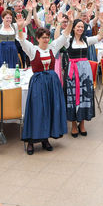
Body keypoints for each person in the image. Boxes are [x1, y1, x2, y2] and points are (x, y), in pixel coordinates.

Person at [15, 16, 67, 155]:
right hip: (38, 83)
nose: (46, 39)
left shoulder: (52, 47)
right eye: (43, 37)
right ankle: (31, 141)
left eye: (47, 37)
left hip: (51, 82)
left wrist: (71, 22)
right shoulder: (32, 50)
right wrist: (20, 27)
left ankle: (45, 139)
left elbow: (65, 36)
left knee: (49, 109)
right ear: (37, 38)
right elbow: (22, 40)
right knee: (37, 110)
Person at [61, 11, 103, 137]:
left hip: (85, 72)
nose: (80, 28)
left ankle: (82, 123)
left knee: (85, 95)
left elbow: (100, 36)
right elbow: (60, 35)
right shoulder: (68, 40)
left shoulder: (86, 40)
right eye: (78, 26)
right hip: (72, 71)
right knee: (73, 96)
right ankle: (74, 124)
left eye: (82, 26)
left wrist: (102, 23)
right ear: (73, 28)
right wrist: (67, 22)